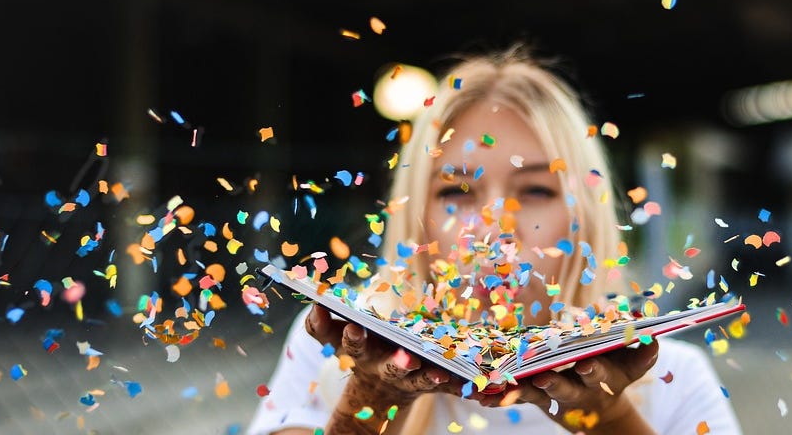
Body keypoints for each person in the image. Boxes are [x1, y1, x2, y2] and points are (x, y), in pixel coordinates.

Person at [247, 46, 741, 434]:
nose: (494, 228)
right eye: (457, 192)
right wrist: (370, 401)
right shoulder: (331, 350)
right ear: (415, 217)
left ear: (583, 219)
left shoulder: (673, 379)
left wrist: (609, 423)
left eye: (536, 190)